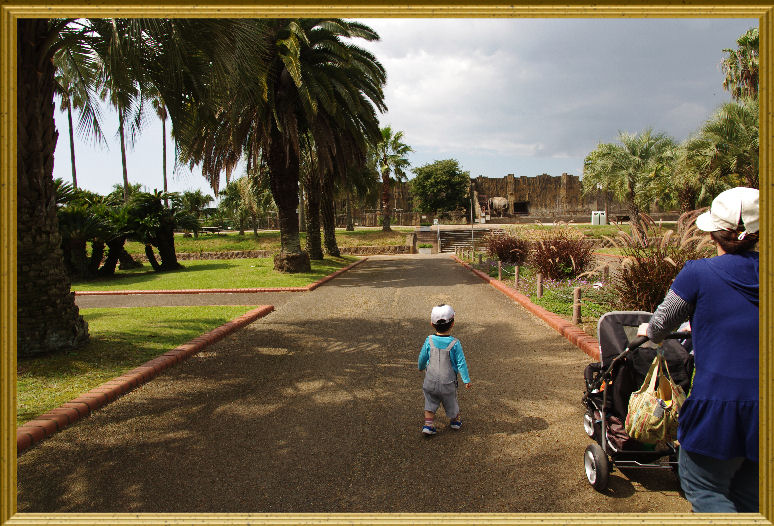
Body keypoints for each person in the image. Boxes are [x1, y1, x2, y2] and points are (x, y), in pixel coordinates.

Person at [638, 187, 759, 513]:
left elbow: (661, 325)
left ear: (714, 232)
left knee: (704, 487)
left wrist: (648, 330)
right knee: (750, 494)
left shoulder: (698, 273)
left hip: (719, 403)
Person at [418, 304, 471, 435]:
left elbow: (422, 357)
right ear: (453, 323)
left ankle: (428, 425)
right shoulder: (455, 343)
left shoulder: (429, 340)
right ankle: (455, 421)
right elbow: (461, 363)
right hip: (448, 383)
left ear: (432, 324)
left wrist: (420, 366)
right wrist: (466, 379)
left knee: (430, 401)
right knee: (451, 402)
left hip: (430, 381)